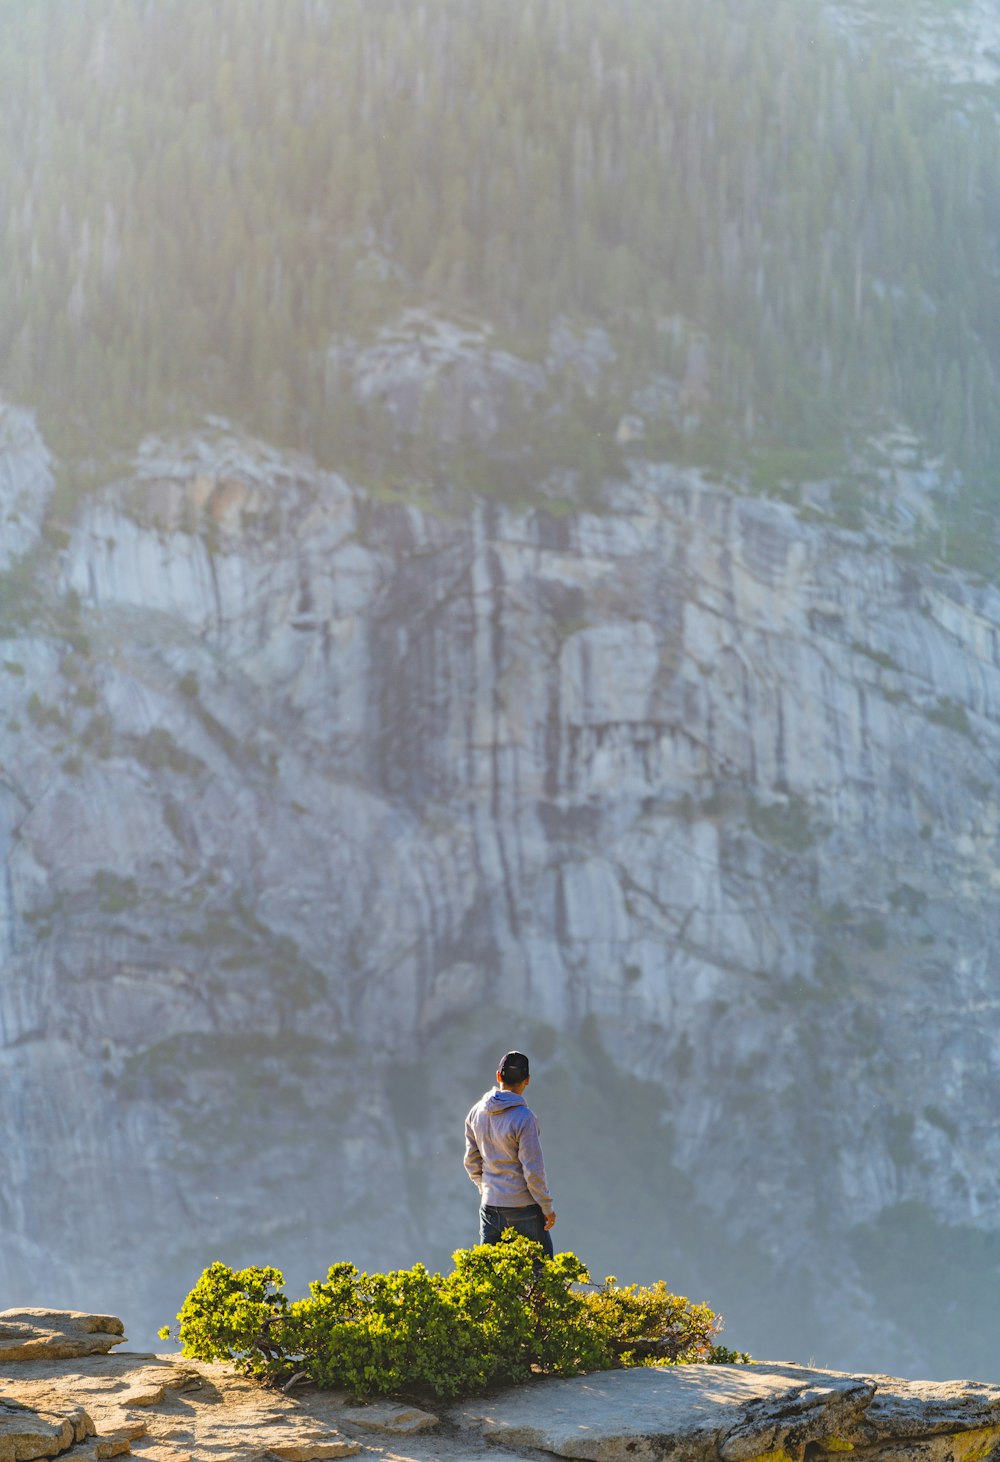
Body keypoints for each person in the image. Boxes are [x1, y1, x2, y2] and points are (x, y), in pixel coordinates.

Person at [464, 1050, 556, 1258]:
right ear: (527, 1080)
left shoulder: (476, 1112)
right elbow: (533, 1170)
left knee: (489, 1278)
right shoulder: (525, 1118)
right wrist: (546, 1206)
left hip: (490, 1207)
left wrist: (486, 1187)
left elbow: (471, 1161)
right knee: (543, 1276)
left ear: (498, 1076)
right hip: (523, 1208)